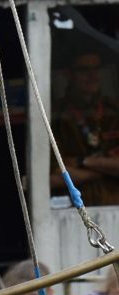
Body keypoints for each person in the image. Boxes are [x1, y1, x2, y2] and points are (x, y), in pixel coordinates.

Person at [50, 50, 119, 207]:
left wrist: (82, 162)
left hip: (115, 208)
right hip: (73, 213)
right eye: (84, 70)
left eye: (97, 69)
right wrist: (107, 168)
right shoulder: (56, 114)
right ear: (68, 74)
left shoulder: (114, 111)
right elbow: (53, 177)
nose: (93, 76)